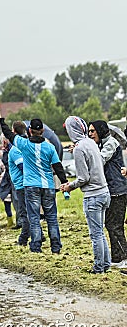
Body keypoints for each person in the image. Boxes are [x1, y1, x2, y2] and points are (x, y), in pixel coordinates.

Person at [0, 108, 67, 254]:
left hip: (31, 186)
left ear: (30, 130)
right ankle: (56, 247)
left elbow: (8, 133)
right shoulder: (50, 147)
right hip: (48, 185)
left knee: (33, 217)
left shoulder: (23, 144)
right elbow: (58, 167)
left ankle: (36, 246)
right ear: (43, 130)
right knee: (51, 217)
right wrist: (64, 182)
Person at [61, 116, 111, 274]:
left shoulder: (79, 148)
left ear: (71, 130)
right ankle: (106, 264)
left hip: (93, 196)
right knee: (100, 232)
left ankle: (98, 268)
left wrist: (69, 186)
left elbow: (84, 178)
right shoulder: (90, 142)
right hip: (104, 192)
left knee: (95, 234)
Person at [88, 120, 127, 268]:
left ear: (100, 130)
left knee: (115, 225)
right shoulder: (101, 144)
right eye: (89, 131)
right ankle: (116, 258)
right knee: (110, 225)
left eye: (93, 131)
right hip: (111, 189)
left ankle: (125, 256)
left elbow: (100, 159)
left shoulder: (111, 143)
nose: (90, 134)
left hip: (118, 190)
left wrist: (86, 151)